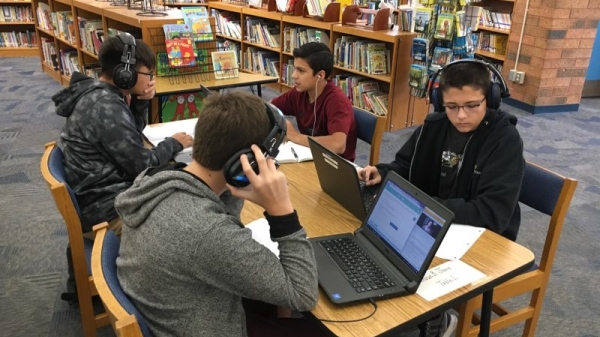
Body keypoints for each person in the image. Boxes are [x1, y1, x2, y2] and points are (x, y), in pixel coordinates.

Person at [115, 92, 324, 337]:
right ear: (247, 161)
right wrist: (282, 213)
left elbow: (221, 222)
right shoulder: (207, 231)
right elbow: (302, 294)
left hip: (178, 311)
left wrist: (236, 183)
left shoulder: (157, 179)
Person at [358, 61, 525, 337]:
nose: (461, 115)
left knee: (403, 265)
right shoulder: (434, 126)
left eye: (472, 105)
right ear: (439, 102)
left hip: (483, 236)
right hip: (432, 220)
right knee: (381, 250)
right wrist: (382, 171)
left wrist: (429, 211)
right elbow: (404, 166)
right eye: (452, 106)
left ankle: (434, 322)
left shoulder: (504, 139)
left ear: (491, 99)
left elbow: (493, 212)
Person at [52, 33, 193, 238]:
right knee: (186, 213)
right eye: (149, 73)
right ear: (126, 74)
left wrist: (140, 101)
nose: (151, 79)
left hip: (100, 193)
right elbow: (142, 165)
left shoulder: (99, 94)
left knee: (177, 182)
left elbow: (130, 134)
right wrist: (173, 143)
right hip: (107, 211)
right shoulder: (105, 106)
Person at [271, 42, 358, 161]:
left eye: (301, 71)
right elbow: (269, 107)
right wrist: (282, 120)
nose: (293, 75)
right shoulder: (299, 92)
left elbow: (338, 145)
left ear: (320, 75)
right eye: (295, 69)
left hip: (334, 163)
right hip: (307, 154)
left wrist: (295, 137)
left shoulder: (337, 102)